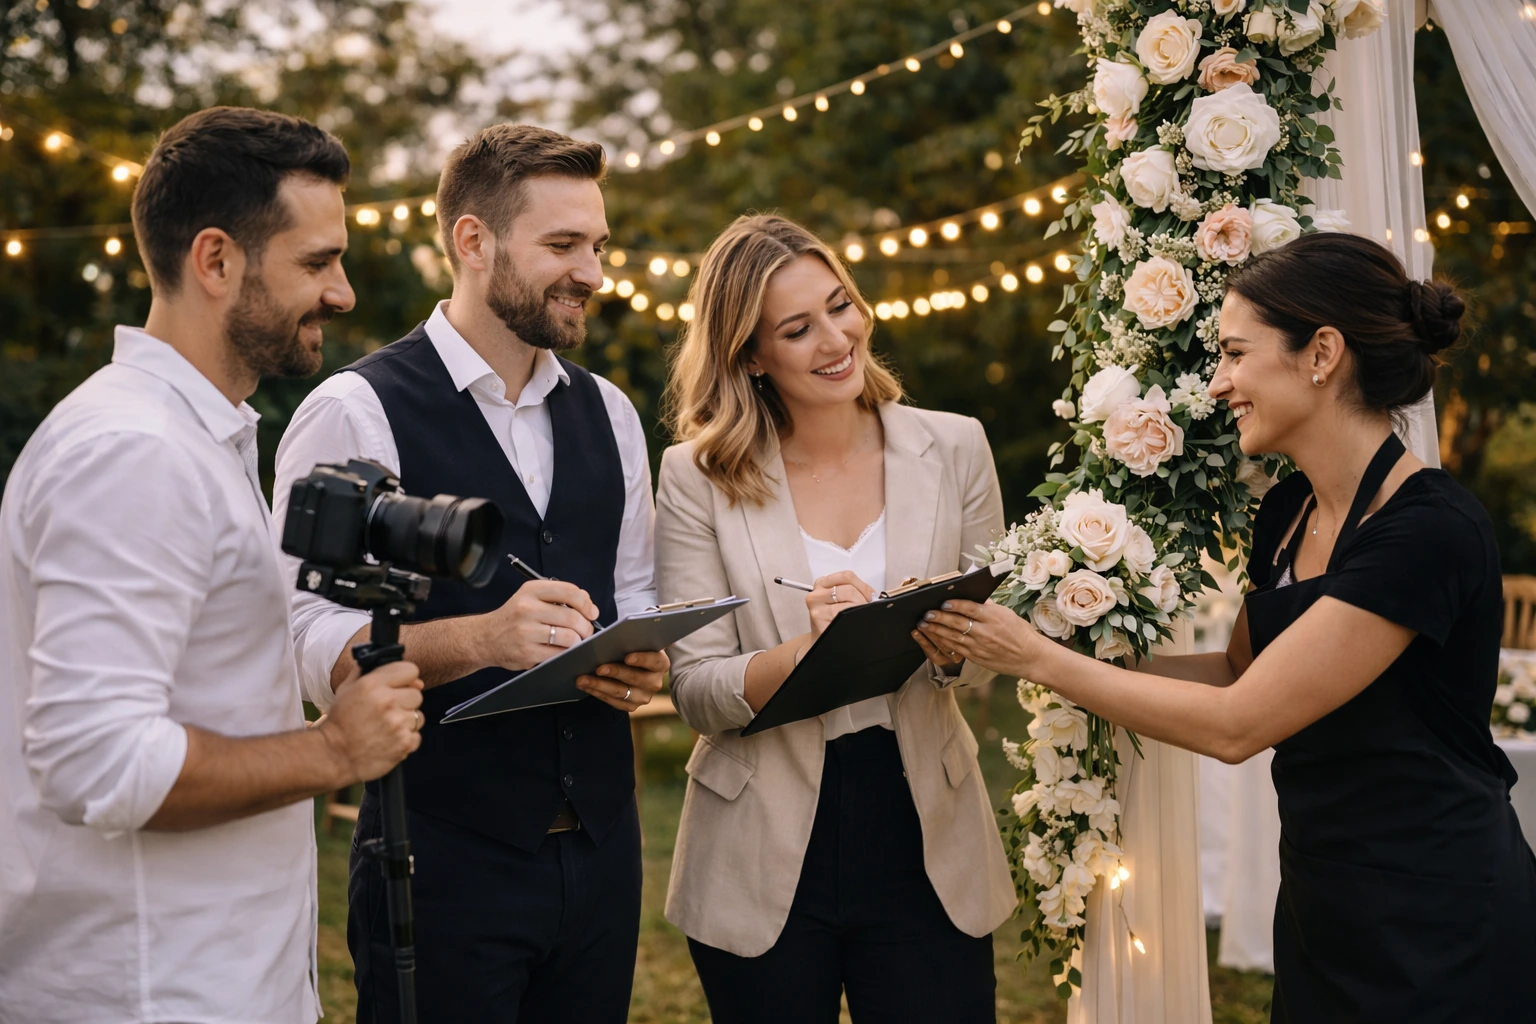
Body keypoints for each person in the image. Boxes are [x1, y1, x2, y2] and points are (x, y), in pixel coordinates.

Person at [918, 232, 1536, 1021]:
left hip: (1440, 909)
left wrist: (1039, 662)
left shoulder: (1428, 533)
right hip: (1325, 897)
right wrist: (1040, 646)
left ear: (1321, 353)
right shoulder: (1287, 512)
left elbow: (1240, 725)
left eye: (1235, 355)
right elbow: (1238, 673)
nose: (1218, 384)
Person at [0, 107, 426, 1024]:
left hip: (225, 980)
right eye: (317, 263)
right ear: (217, 261)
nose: (344, 293)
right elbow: (96, 761)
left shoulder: (204, 437)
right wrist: (333, 747)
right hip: (148, 990)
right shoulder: (132, 453)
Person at [273, 123, 667, 1024]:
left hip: (604, 857)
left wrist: (649, 661)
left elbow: (635, 597)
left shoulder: (610, 413)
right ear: (473, 241)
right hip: (439, 860)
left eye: (598, 245)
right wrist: (483, 639)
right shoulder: (355, 410)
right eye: (563, 245)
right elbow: (298, 642)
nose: (594, 273)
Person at [654, 214, 1014, 1023]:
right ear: (750, 354)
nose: (836, 338)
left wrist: (949, 643)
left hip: (925, 826)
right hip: (758, 839)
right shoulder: (695, 477)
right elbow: (697, 690)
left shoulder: (956, 447)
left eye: (840, 304)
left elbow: (999, 651)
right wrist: (807, 651)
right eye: (797, 327)